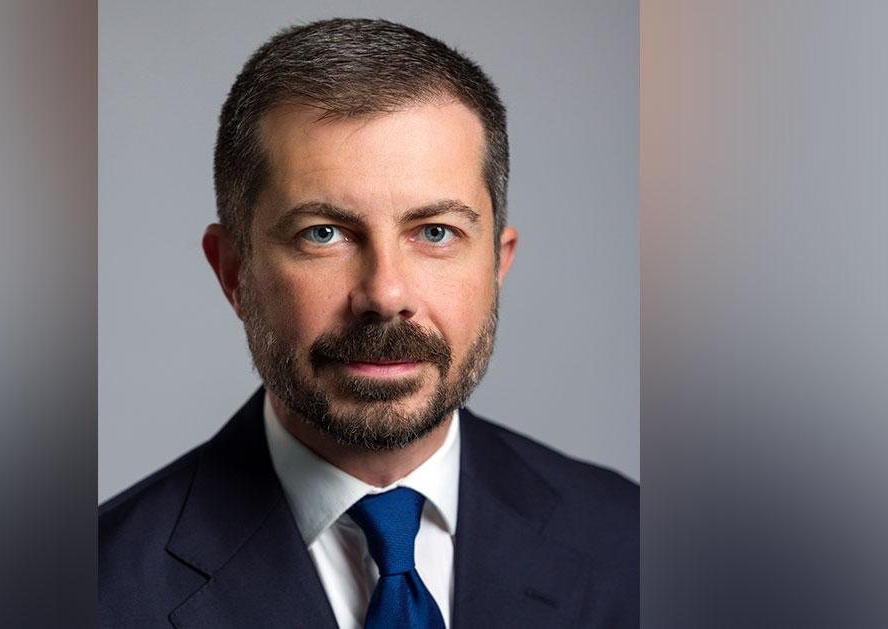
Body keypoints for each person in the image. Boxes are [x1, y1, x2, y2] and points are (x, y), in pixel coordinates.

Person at [100, 17, 638, 628]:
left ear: (497, 265)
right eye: (323, 234)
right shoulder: (103, 589)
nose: (385, 294)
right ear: (234, 272)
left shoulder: (632, 546)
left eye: (436, 232)